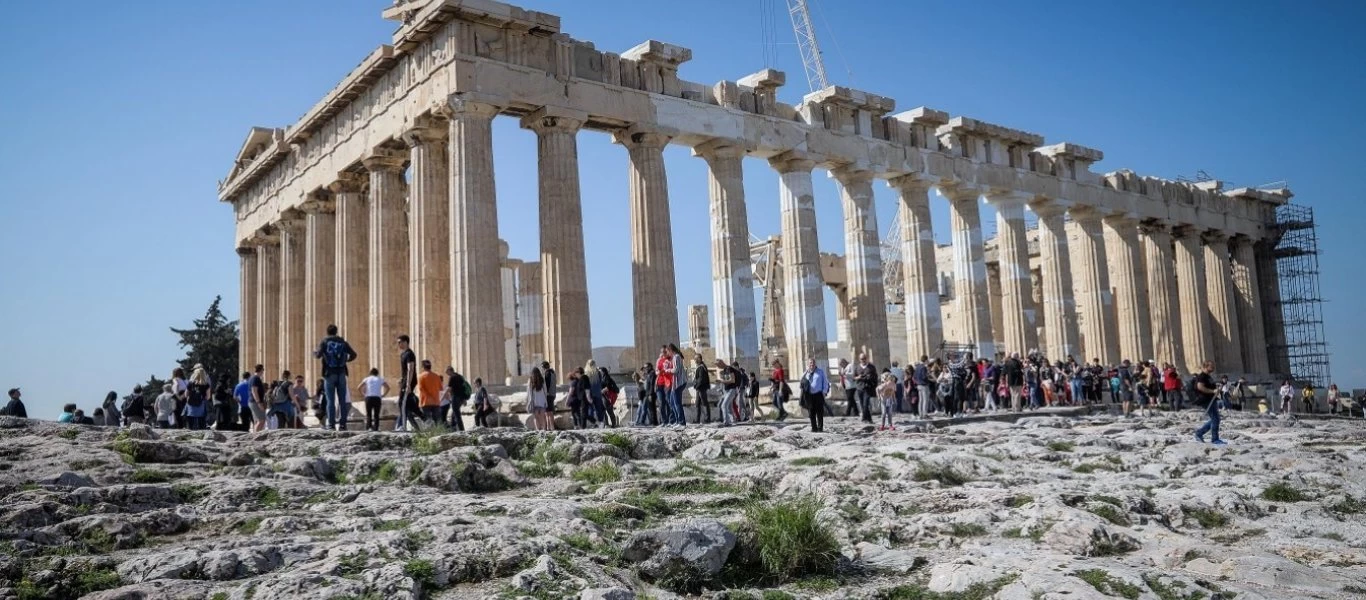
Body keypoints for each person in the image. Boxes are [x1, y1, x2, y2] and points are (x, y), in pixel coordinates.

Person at [313, 324, 358, 431]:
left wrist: (314, 353)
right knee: (342, 400)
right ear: (336, 331)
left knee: (330, 400)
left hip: (329, 374)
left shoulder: (324, 341)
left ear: (327, 332)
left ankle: (331, 425)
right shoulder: (342, 342)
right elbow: (354, 355)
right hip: (342, 373)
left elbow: (318, 355)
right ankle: (343, 424)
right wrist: (346, 361)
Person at [1193, 360, 1225, 445]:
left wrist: (1217, 389)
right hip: (1205, 400)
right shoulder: (1202, 376)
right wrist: (1212, 391)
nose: (1213, 368)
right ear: (1206, 367)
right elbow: (1200, 387)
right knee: (1215, 419)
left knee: (1215, 419)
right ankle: (1214, 439)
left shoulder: (1208, 376)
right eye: (1211, 366)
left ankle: (1199, 433)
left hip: (1211, 399)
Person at [800, 358, 830, 432]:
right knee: (811, 413)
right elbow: (801, 384)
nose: (812, 364)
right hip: (809, 396)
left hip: (818, 394)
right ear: (808, 364)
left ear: (815, 364)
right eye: (810, 363)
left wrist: (824, 392)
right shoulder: (805, 373)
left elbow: (825, 382)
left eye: (813, 363)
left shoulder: (820, 372)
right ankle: (814, 428)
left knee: (819, 413)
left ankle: (820, 428)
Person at [396, 335, 418, 431]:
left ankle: (403, 425)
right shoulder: (403, 354)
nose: (398, 344)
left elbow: (410, 369)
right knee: (409, 404)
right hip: (406, 380)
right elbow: (405, 370)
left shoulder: (409, 354)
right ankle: (425, 419)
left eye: (399, 342)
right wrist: (402, 379)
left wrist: (408, 384)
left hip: (410, 381)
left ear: (405, 342)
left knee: (402, 402)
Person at [358, 368, 389, 432]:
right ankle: (376, 428)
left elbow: (359, 387)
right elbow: (388, 387)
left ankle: (368, 427)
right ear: (377, 373)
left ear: (370, 373)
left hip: (368, 397)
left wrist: (363, 394)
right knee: (376, 414)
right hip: (377, 397)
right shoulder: (380, 379)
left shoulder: (366, 379)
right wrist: (383, 395)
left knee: (368, 413)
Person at [413, 359, 442, 425]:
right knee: (437, 421)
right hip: (436, 401)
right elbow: (440, 388)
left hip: (425, 402)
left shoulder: (421, 376)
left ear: (423, 367)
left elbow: (421, 388)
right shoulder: (436, 376)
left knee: (428, 421)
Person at [184, 366, 211, 430]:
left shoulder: (190, 384)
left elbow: (186, 394)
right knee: (201, 421)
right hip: (201, 404)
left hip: (190, 404)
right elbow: (208, 397)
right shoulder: (206, 385)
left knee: (190, 421)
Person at [443, 367, 471, 431]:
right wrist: (464, 399)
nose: (446, 373)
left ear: (450, 370)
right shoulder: (460, 376)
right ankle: (453, 428)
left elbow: (449, 389)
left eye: (447, 371)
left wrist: (442, 398)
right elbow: (463, 388)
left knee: (457, 414)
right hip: (461, 398)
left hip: (455, 397)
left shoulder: (452, 377)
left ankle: (461, 429)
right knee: (454, 412)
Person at [653, 347, 674, 427]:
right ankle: (664, 421)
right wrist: (659, 372)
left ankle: (670, 420)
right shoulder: (659, 360)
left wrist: (666, 370)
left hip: (667, 383)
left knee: (669, 402)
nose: (663, 353)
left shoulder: (670, 360)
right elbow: (656, 371)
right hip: (659, 383)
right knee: (661, 403)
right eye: (662, 352)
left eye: (665, 352)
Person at [716, 359, 740, 427]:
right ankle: (733, 420)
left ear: (721, 363)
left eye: (718, 365)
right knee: (729, 407)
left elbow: (732, 380)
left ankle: (726, 422)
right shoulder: (725, 370)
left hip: (732, 390)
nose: (718, 367)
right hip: (727, 390)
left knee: (724, 405)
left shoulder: (729, 369)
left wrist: (721, 381)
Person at [669, 344, 688, 427]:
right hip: (675, 383)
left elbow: (676, 370)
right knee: (672, 403)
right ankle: (677, 421)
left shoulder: (676, 357)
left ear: (671, 350)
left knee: (677, 403)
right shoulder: (675, 357)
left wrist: (667, 370)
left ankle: (681, 422)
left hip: (679, 383)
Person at [634, 362, 657, 426]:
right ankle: (646, 421)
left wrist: (650, 394)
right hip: (646, 394)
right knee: (647, 409)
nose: (644, 370)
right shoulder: (648, 374)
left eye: (645, 368)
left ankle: (649, 422)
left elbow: (651, 385)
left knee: (648, 409)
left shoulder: (651, 374)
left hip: (648, 394)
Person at [585, 359, 607, 428]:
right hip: (597, 393)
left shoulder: (586, 374)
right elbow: (600, 382)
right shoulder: (598, 373)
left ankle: (596, 423)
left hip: (591, 393)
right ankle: (600, 423)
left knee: (591, 410)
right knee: (598, 409)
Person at [249, 364, 269, 433]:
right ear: (261, 370)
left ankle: (255, 435)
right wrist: (259, 402)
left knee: (257, 420)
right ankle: (256, 436)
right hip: (255, 402)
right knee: (262, 420)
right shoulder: (255, 378)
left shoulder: (252, 378)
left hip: (253, 402)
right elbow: (254, 390)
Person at [692, 356, 712, 424]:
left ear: (700, 359)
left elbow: (701, 379)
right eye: (695, 359)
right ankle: (697, 419)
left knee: (704, 403)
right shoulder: (700, 366)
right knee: (697, 404)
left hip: (701, 388)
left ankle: (707, 419)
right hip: (699, 388)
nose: (695, 360)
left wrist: (696, 385)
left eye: (696, 358)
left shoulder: (701, 367)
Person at [541, 361, 558, 427]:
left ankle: (551, 427)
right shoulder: (553, 372)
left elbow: (547, 384)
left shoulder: (547, 373)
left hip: (548, 394)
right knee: (548, 411)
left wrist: (545, 392)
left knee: (548, 412)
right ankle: (549, 426)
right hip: (553, 393)